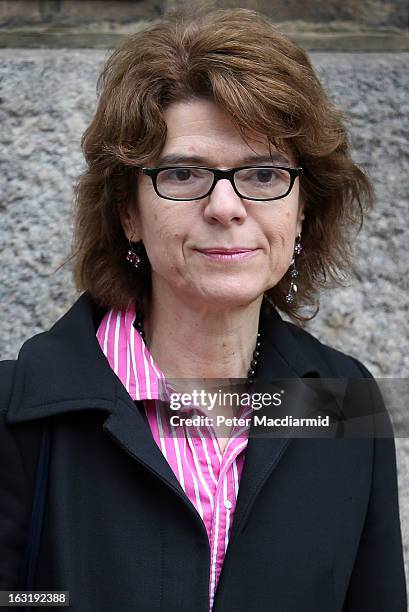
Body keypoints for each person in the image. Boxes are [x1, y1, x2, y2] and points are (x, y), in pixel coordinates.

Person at [0, 7, 406, 612]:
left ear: (302, 212)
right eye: (183, 173)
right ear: (128, 213)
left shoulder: (343, 402)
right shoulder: (20, 408)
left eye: (264, 174)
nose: (225, 206)